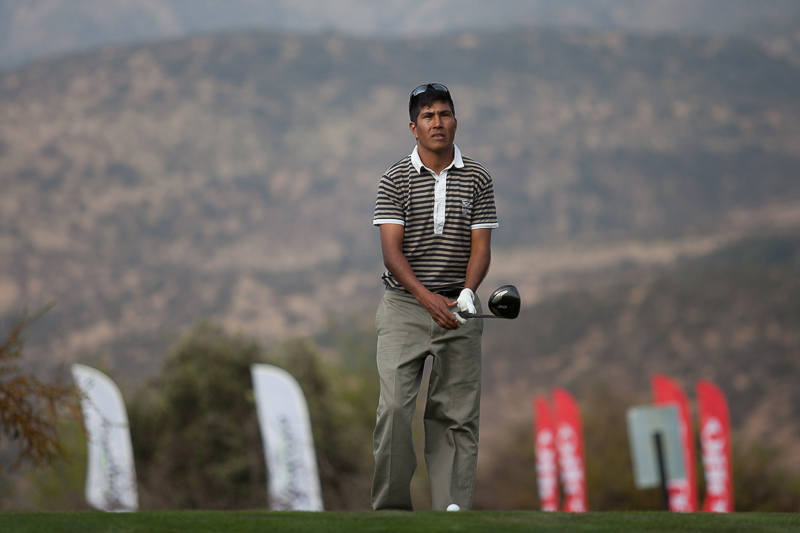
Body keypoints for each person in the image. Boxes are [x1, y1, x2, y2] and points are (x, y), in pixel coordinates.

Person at [371, 83, 499, 511]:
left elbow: (481, 248)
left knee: (455, 417)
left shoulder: (478, 177)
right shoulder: (395, 178)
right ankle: (391, 512)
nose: (437, 122)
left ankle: (451, 513)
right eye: (427, 116)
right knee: (394, 410)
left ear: (455, 122)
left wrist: (466, 294)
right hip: (404, 306)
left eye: (444, 114)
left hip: (459, 308)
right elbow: (391, 253)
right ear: (414, 127)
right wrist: (427, 299)